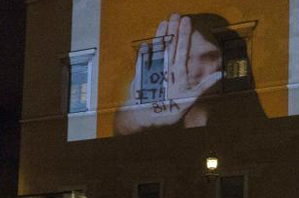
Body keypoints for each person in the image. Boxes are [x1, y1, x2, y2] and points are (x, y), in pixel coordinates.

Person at [114, 13, 266, 136]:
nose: (194, 70)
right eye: (184, 59)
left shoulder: (249, 122)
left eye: (208, 57)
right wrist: (136, 118)